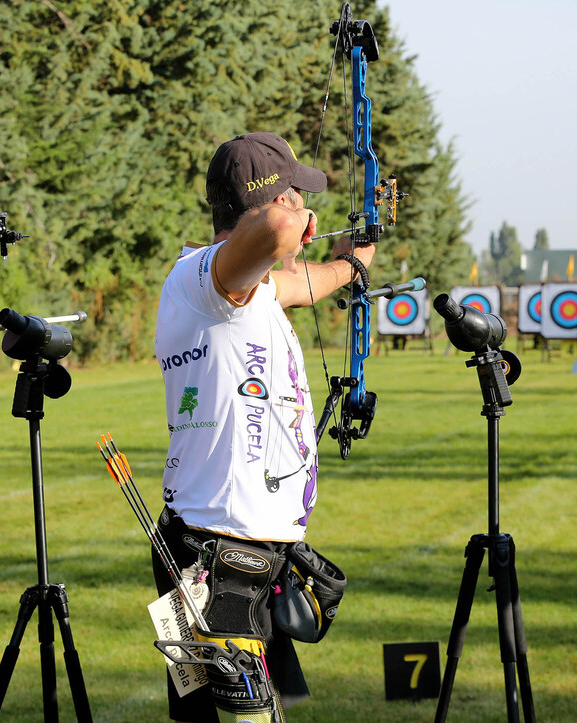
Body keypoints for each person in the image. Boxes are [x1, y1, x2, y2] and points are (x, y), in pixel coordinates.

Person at [152, 132, 374, 722]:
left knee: (197, 716)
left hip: (224, 544)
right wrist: (293, 224)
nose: (305, 207)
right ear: (271, 201)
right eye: (296, 195)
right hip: (219, 554)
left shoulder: (246, 289)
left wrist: (351, 264)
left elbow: (303, 284)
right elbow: (275, 234)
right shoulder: (207, 279)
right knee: (240, 719)